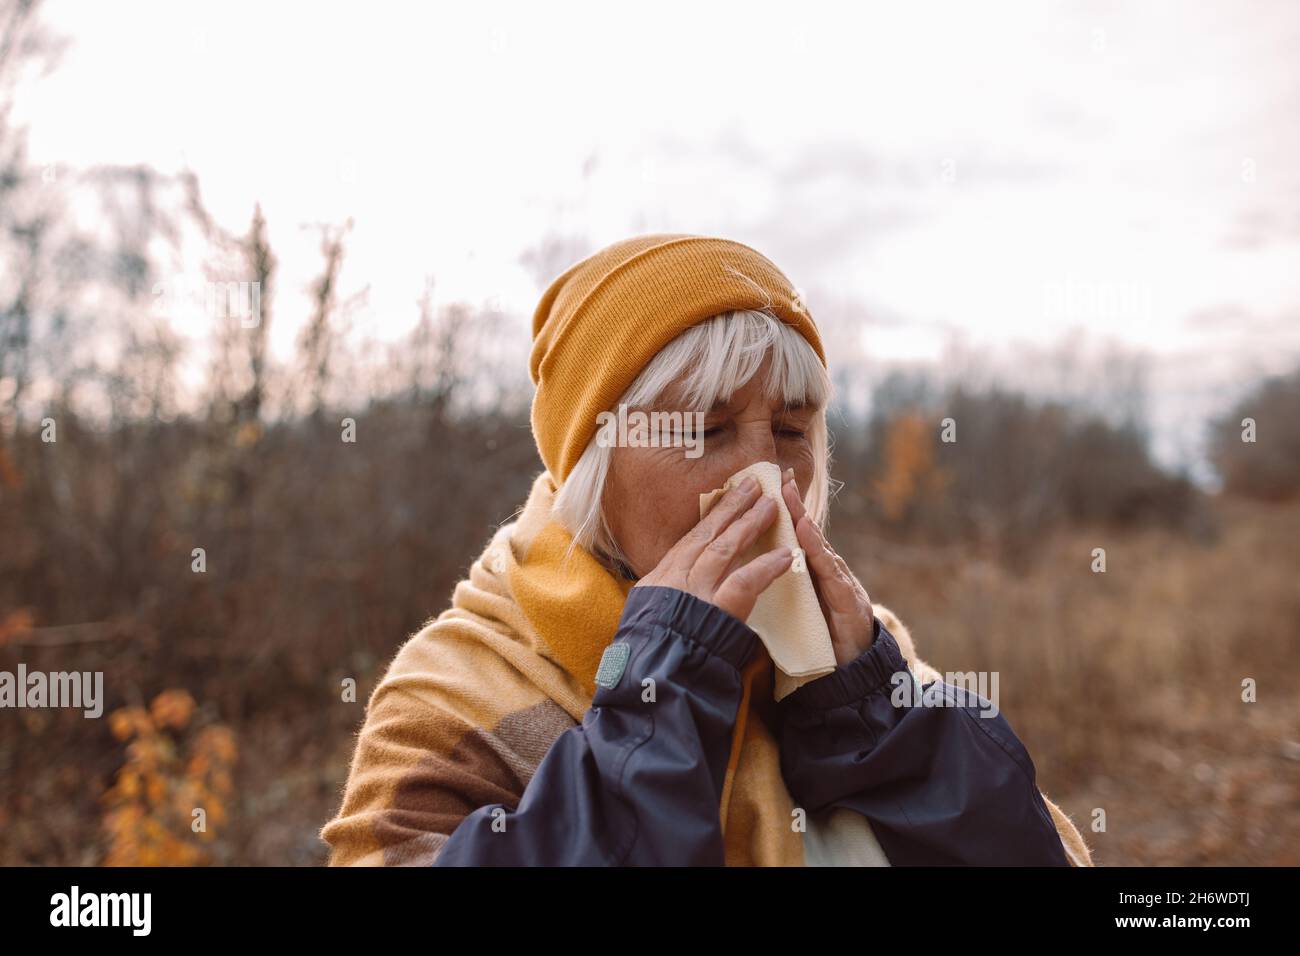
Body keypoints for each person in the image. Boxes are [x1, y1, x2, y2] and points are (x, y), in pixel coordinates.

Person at [320, 233, 1094, 866]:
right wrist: (661, 696)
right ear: (591, 465)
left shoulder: (857, 657)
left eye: (791, 433)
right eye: (699, 430)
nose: (761, 477)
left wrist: (886, 733)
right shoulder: (455, 688)